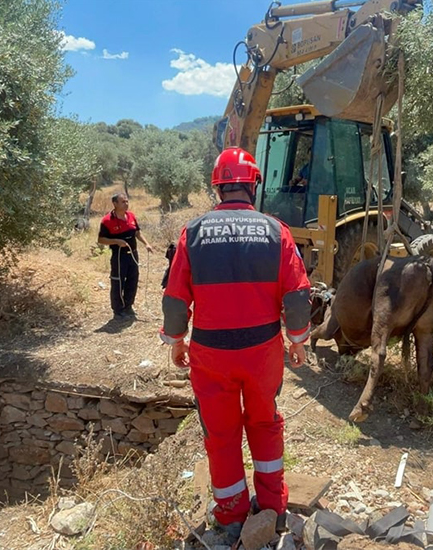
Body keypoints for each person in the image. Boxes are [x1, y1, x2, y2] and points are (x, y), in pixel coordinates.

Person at [160, 147, 311, 540]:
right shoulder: (276, 230)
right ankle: (273, 505)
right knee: (265, 422)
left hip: (210, 355)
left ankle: (231, 513)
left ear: (218, 187)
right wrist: (297, 341)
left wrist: (176, 341)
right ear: (253, 184)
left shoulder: (192, 233)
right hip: (262, 351)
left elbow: (176, 299)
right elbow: (297, 297)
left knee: (221, 432)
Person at [98, 193, 153, 319]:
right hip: (118, 256)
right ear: (115, 204)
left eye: (127, 201)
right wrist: (116, 241)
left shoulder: (131, 216)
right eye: (123, 202)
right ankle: (118, 310)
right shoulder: (107, 221)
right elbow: (101, 239)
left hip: (133, 254)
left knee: (133, 279)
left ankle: (128, 306)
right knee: (118, 281)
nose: (126, 204)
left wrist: (147, 244)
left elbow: (138, 233)